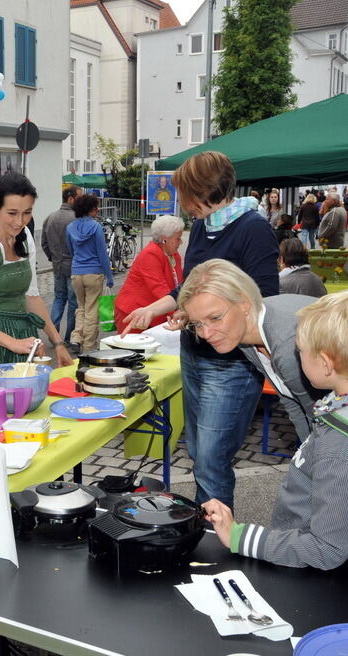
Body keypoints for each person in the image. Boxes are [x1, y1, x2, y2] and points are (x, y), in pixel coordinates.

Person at [203, 290, 348, 570]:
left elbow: (325, 549)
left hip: (326, 576)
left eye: (300, 350)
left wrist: (239, 536)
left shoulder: (342, 449)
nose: (296, 354)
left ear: (326, 364)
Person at [122, 151, 279, 509]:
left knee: (210, 459)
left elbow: (265, 300)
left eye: (184, 194)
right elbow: (190, 291)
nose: (180, 203)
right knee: (200, 452)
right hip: (195, 353)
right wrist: (160, 310)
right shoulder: (206, 226)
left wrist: (212, 321)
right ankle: (205, 523)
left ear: (204, 191)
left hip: (231, 363)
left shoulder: (252, 228)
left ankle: (213, 537)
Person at [175, 258, 348, 462]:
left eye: (215, 318)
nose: (206, 334)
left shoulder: (287, 345)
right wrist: (307, 458)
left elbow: (326, 420)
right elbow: (292, 399)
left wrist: (316, 468)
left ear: (243, 303)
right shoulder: (244, 331)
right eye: (198, 324)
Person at [0, 173, 73, 400]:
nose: (20, 221)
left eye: (27, 212)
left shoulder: (24, 236)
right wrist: (12, 343)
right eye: (12, 213)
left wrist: (57, 342)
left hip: (23, 337)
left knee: (25, 412)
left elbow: (32, 297)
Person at [113, 215, 184, 333]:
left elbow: (180, 285)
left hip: (154, 313)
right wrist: (177, 312)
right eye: (177, 238)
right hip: (134, 313)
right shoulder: (150, 254)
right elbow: (159, 288)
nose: (181, 242)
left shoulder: (174, 256)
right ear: (164, 239)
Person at [67, 194, 114, 352]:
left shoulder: (70, 227)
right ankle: (89, 347)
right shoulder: (96, 227)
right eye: (96, 208)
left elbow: (71, 250)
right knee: (92, 310)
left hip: (76, 272)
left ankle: (76, 338)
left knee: (81, 307)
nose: (98, 210)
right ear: (90, 210)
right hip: (94, 273)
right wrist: (109, 276)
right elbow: (102, 254)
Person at [41, 187, 80, 345]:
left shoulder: (50, 217)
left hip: (57, 264)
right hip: (72, 266)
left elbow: (44, 243)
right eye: (79, 198)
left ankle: (53, 331)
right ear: (71, 199)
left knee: (59, 298)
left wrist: (53, 257)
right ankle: (69, 336)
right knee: (72, 302)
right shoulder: (76, 218)